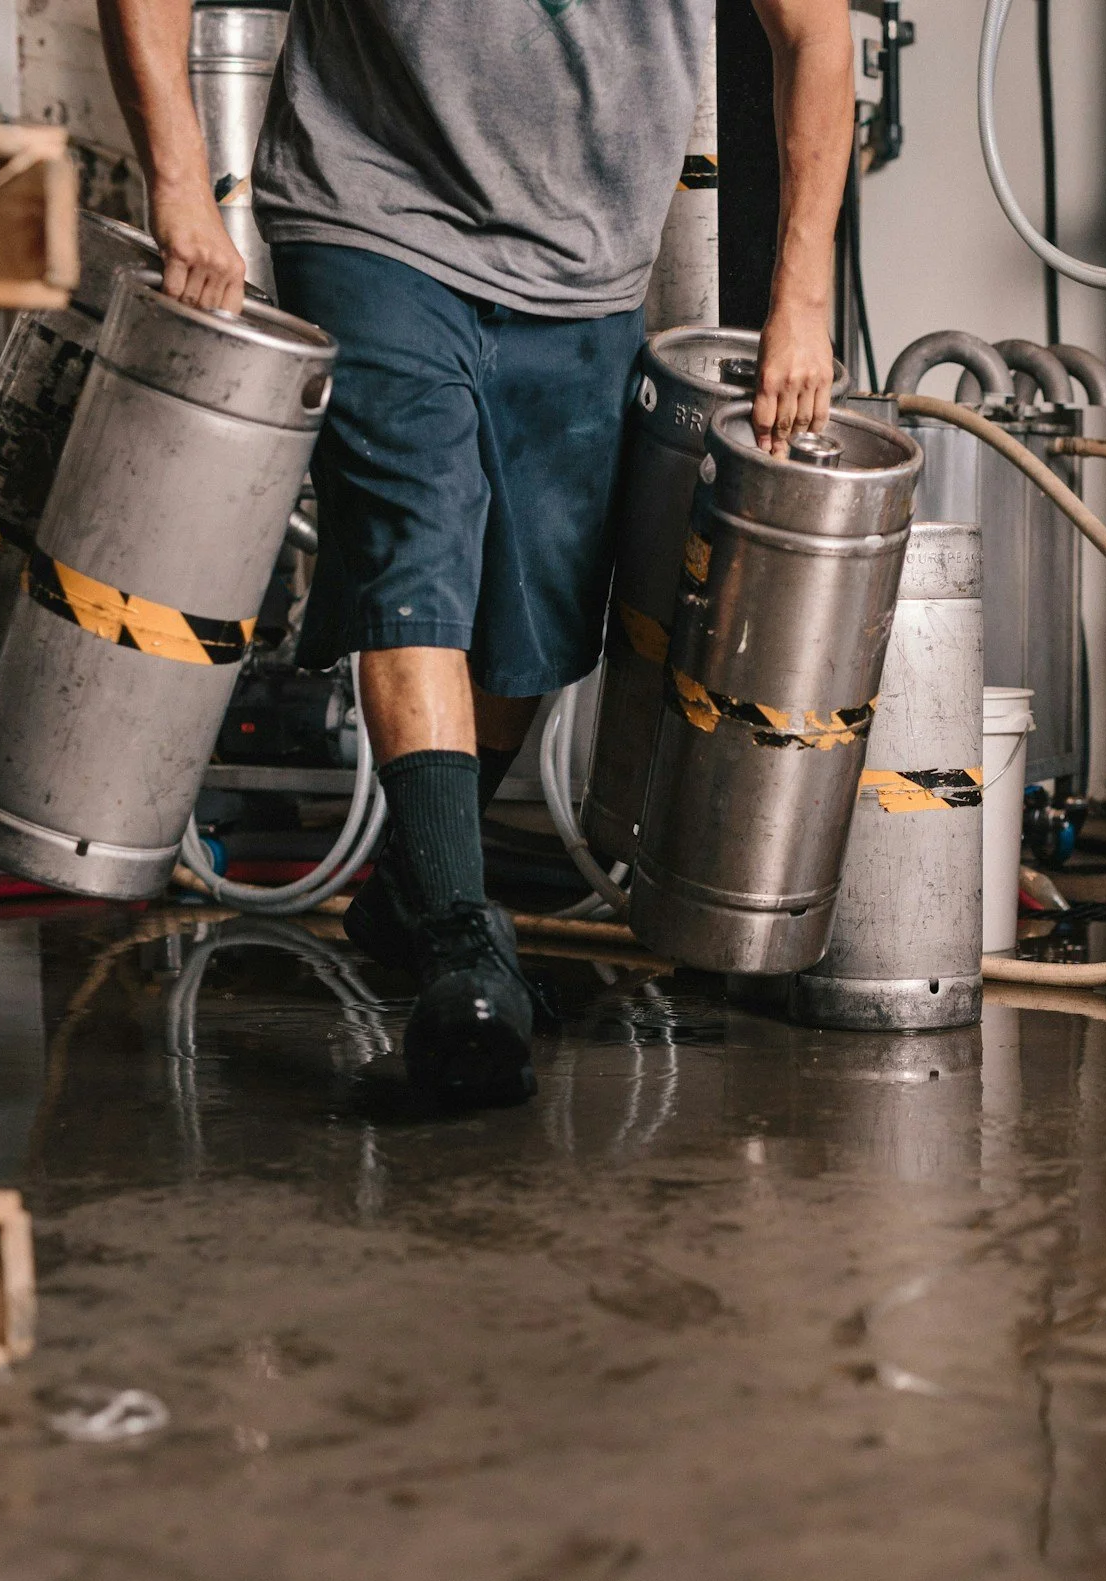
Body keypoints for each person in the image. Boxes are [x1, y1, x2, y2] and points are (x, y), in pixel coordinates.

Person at [99, 0, 851, 1107]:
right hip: (371, 211)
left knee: (536, 617)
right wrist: (179, 183)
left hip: (587, 266)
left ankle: (415, 882)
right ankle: (460, 944)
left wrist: (801, 299)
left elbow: (816, 34)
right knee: (418, 550)